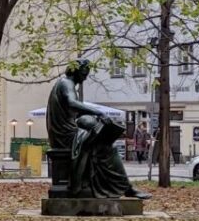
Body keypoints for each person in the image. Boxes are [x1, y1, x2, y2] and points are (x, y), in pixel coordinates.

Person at [46, 59, 151, 199]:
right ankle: (125, 188)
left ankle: (122, 187)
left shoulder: (63, 84)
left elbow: (73, 111)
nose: (85, 77)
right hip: (66, 136)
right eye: (84, 72)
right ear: (77, 70)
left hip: (65, 133)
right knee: (108, 148)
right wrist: (98, 112)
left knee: (102, 141)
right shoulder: (67, 83)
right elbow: (71, 103)